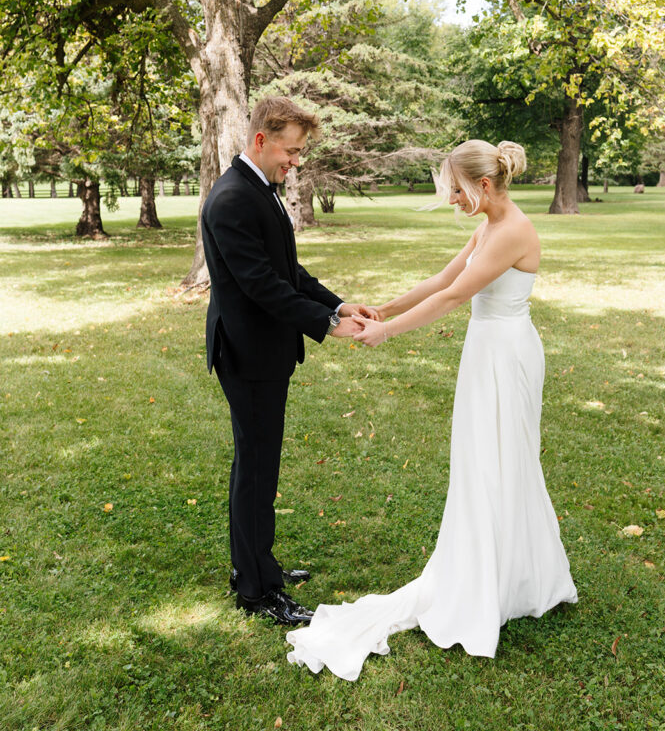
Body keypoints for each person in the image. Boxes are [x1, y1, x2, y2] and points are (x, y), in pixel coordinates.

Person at [286, 139, 578, 678]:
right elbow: (441, 280)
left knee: (504, 460)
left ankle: (508, 579)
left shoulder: (512, 229)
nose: (453, 201)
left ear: (484, 185)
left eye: (458, 191)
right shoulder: (489, 224)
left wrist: (385, 334)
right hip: (485, 350)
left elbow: (453, 298)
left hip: (506, 356)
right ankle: (498, 572)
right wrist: (383, 307)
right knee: (479, 461)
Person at [201, 96, 376, 626]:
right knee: (255, 471)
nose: (296, 161)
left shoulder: (262, 190)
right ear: (261, 140)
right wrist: (327, 325)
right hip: (249, 355)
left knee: (257, 466)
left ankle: (257, 565)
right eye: (291, 151)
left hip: (267, 353)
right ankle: (256, 590)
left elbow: (290, 272)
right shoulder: (233, 199)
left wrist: (338, 303)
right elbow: (261, 287)